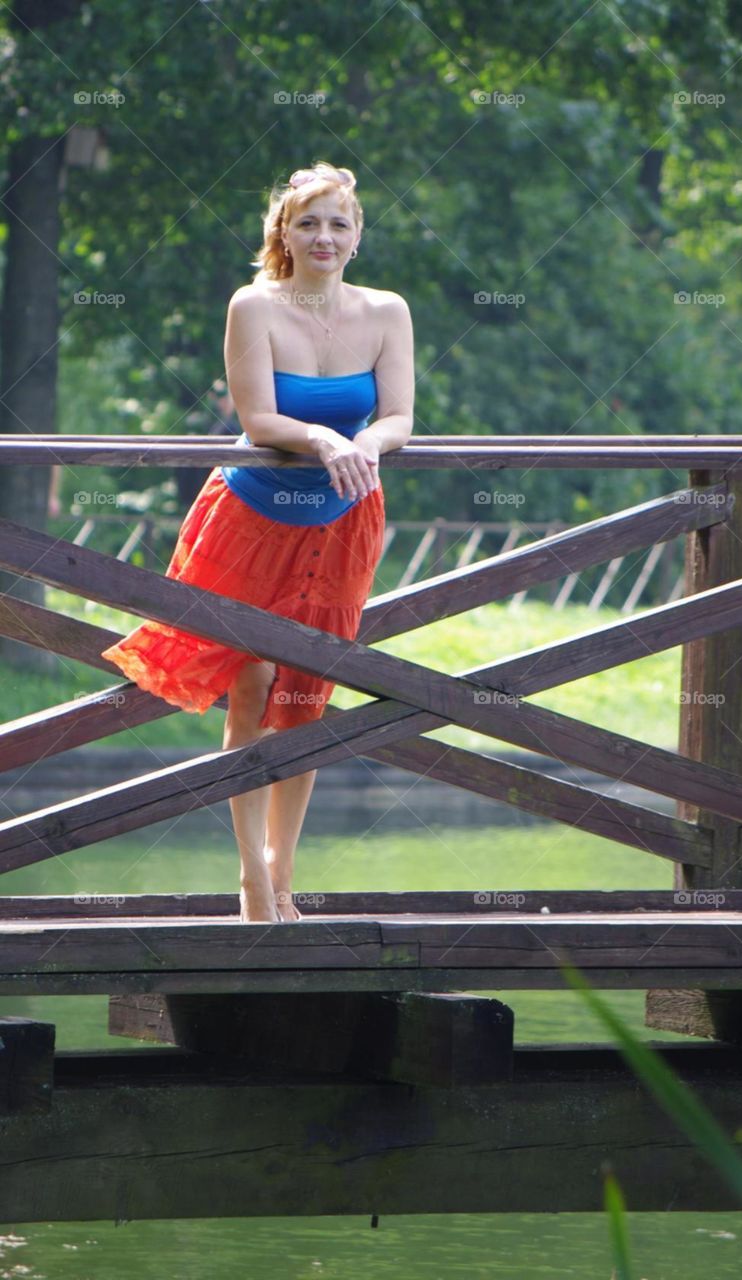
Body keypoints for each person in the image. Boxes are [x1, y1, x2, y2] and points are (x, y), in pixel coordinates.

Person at [100, 161, 415, 924]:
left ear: (358, 233)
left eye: (338, 223)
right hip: (249, 522)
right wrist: (321, 437)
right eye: (307, 222)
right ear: (283, 232)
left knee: (306, 693)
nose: (323, 237)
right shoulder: (255, 305)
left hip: (341, 523)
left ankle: (283, 875)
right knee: (250, 684)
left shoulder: (387, 311)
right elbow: (258, 418)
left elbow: (400, 417)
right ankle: (248, 880)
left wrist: (366, 443)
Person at [175, 379, 241, 510]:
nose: (222, 402)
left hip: (217, 490)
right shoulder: (203, 422)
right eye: (218, 397)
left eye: (225, 396)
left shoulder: (229, 426)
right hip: (202, 490)